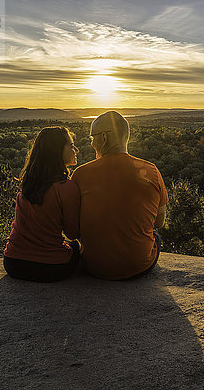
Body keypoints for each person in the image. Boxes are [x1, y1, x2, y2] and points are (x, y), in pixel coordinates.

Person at [71, 111, 168, 280]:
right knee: (155, 236)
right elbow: (159, 222)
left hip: (94, 266)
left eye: (92, 137)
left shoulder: (81, 174)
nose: (92, 143)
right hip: (139, 266)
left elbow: (73, 226)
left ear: (104, 137)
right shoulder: (152, 171)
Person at [3, 126, 81, 282]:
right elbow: (72, 233)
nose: (76, 150)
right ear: (57, 150)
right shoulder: (66, 187)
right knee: (76, 247)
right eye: (71, 146)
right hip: (51, 267)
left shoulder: (27, 184)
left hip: (13, 263)